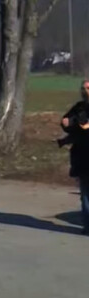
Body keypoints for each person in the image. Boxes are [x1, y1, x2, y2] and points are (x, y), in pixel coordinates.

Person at [59, 80, 89, 235]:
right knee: (85, 193)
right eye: (83, 88)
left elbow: (83, 126)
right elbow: (68, 123)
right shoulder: (79, 107)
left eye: (88, 88)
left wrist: (75, 123)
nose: (85, 91)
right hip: (82, 156)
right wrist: (66, 123)